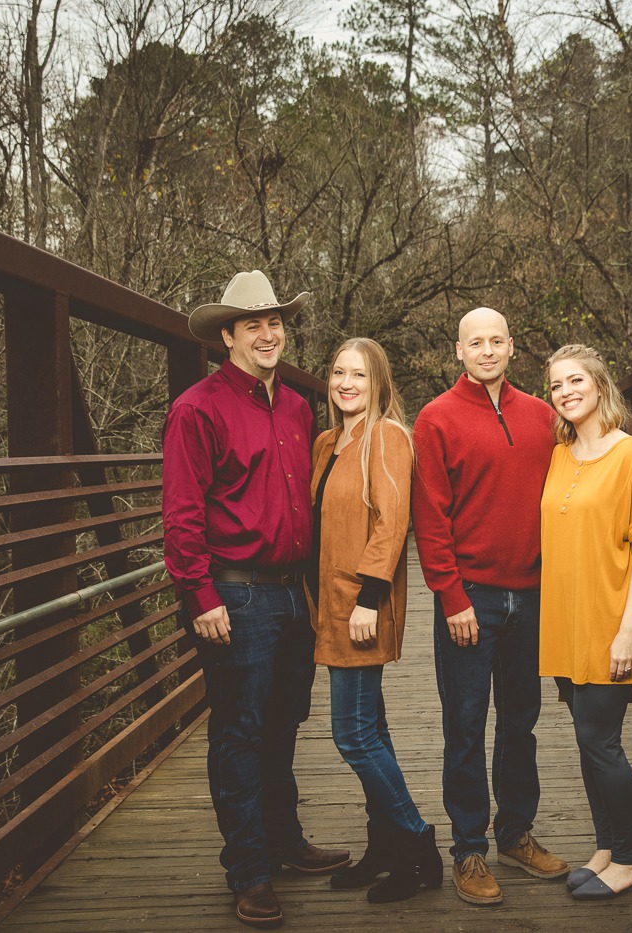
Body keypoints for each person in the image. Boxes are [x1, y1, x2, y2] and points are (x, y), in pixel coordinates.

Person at [162, 269, 349, 929]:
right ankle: (248, 869)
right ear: (227, 334)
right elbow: (182, 514)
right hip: (235, 596)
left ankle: (284, 840)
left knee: (282, 724)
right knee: (238, 732)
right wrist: (200, 595)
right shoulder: (197, 408)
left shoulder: (297, 406)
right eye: (254, 324)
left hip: (291, 593)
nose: (269, 333)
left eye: (276, 322)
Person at [411, 307, 569, 906]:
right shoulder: (437, 418)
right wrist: (451, 597)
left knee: (521, 721)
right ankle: (468, 847)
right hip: (470, 596)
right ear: (458, 350)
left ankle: (516, 833)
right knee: (466, 725)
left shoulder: (543, 415)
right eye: (474, 342)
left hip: (532, 594)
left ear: (512, 345)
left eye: (496, 340)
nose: (486, 351)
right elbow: (430, 518)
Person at [308, 337, 442, 903]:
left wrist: (368, 598)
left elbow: (393, 522)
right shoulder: (328, 442)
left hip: (362, 605)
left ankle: (417, 844)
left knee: (354, 735)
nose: (346, 384)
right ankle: (384, 845)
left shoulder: (386, 437)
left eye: (358, 375)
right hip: (328, 605)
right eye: (338, 373)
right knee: (374, 729)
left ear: (378, 383)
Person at [538, 344, 632, 902]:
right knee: (586, 741)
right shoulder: (560, 454)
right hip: (565, 620)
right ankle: (607, 847)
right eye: (555, 386)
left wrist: (627, 630)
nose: (566, 392)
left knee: (602, 742)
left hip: (608, 619)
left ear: (599, 385)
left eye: (575, 381)